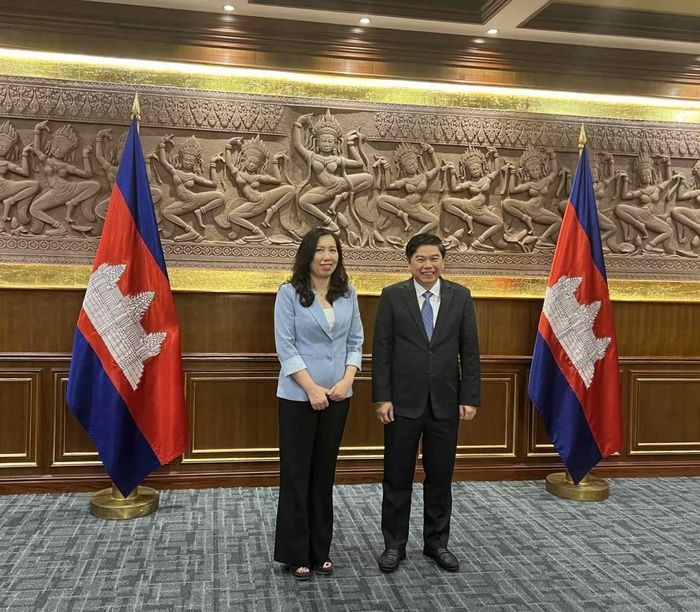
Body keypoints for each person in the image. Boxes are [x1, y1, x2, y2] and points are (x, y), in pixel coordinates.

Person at [372, 233, 481, 574]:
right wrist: (382, 397)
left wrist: (470, 396)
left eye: (434, 258)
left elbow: (470, 351)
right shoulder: (393, 296)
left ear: (443, 261)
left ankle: (437, 544)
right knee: (396, 477)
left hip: (446, 403)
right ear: (409, 262)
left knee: (440, 478)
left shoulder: (460, 296)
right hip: (402, 403)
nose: (427, 265)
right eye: (420, 259)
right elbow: (382, 351)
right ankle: (394, 546)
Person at [273, 227, 364, 580]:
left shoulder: (348, 293)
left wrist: (346, 380)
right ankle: (296, 552)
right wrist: (311, 388)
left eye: (333, 250)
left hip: (339, 395)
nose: (328, 257)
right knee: (297, 475)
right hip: (298, 396)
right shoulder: (289, 294)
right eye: (320, 251)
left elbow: (355, 341)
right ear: (307, 256)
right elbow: (286, 347)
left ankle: (320, 549)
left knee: (323, 475)